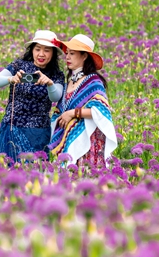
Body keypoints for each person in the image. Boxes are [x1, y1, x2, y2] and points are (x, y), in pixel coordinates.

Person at [0, 30, 65, 162]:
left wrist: (49, 84)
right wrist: (11, 79)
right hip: (12, 127)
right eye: (37, 49)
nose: (41, 54)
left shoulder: (56, 74)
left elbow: (56, 97)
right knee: (5, 171)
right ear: (32, 50)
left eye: (47, 50)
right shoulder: (18, 65)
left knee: (34, 173)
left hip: (38, 132)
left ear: (53, 53)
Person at [49, 34, 117, 166]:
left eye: (72, 53)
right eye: (67, 53)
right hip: (70, 138)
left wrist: (73, 113)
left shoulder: (93, 82)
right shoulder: (68, 82)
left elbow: (101, 111)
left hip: (89, 141)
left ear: (84, 56)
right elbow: (61, 110)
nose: (67, 57)